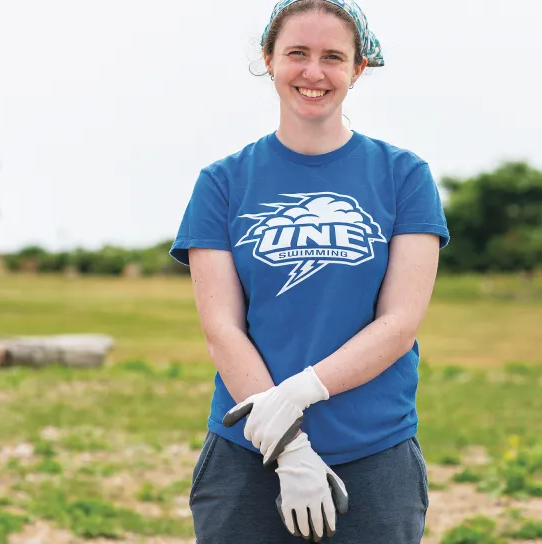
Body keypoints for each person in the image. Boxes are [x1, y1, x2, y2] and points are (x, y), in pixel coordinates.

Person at [169, 0, 449, 542]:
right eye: (297, 53)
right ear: (269, 60)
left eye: (333, 57)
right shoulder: (223, 182)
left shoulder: (404, 176)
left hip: (374, 451)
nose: (313, 72)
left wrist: (299, 393)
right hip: (246, 452)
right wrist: (286, 443)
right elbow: (221, 327)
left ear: (358, 68)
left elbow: (399, 322)